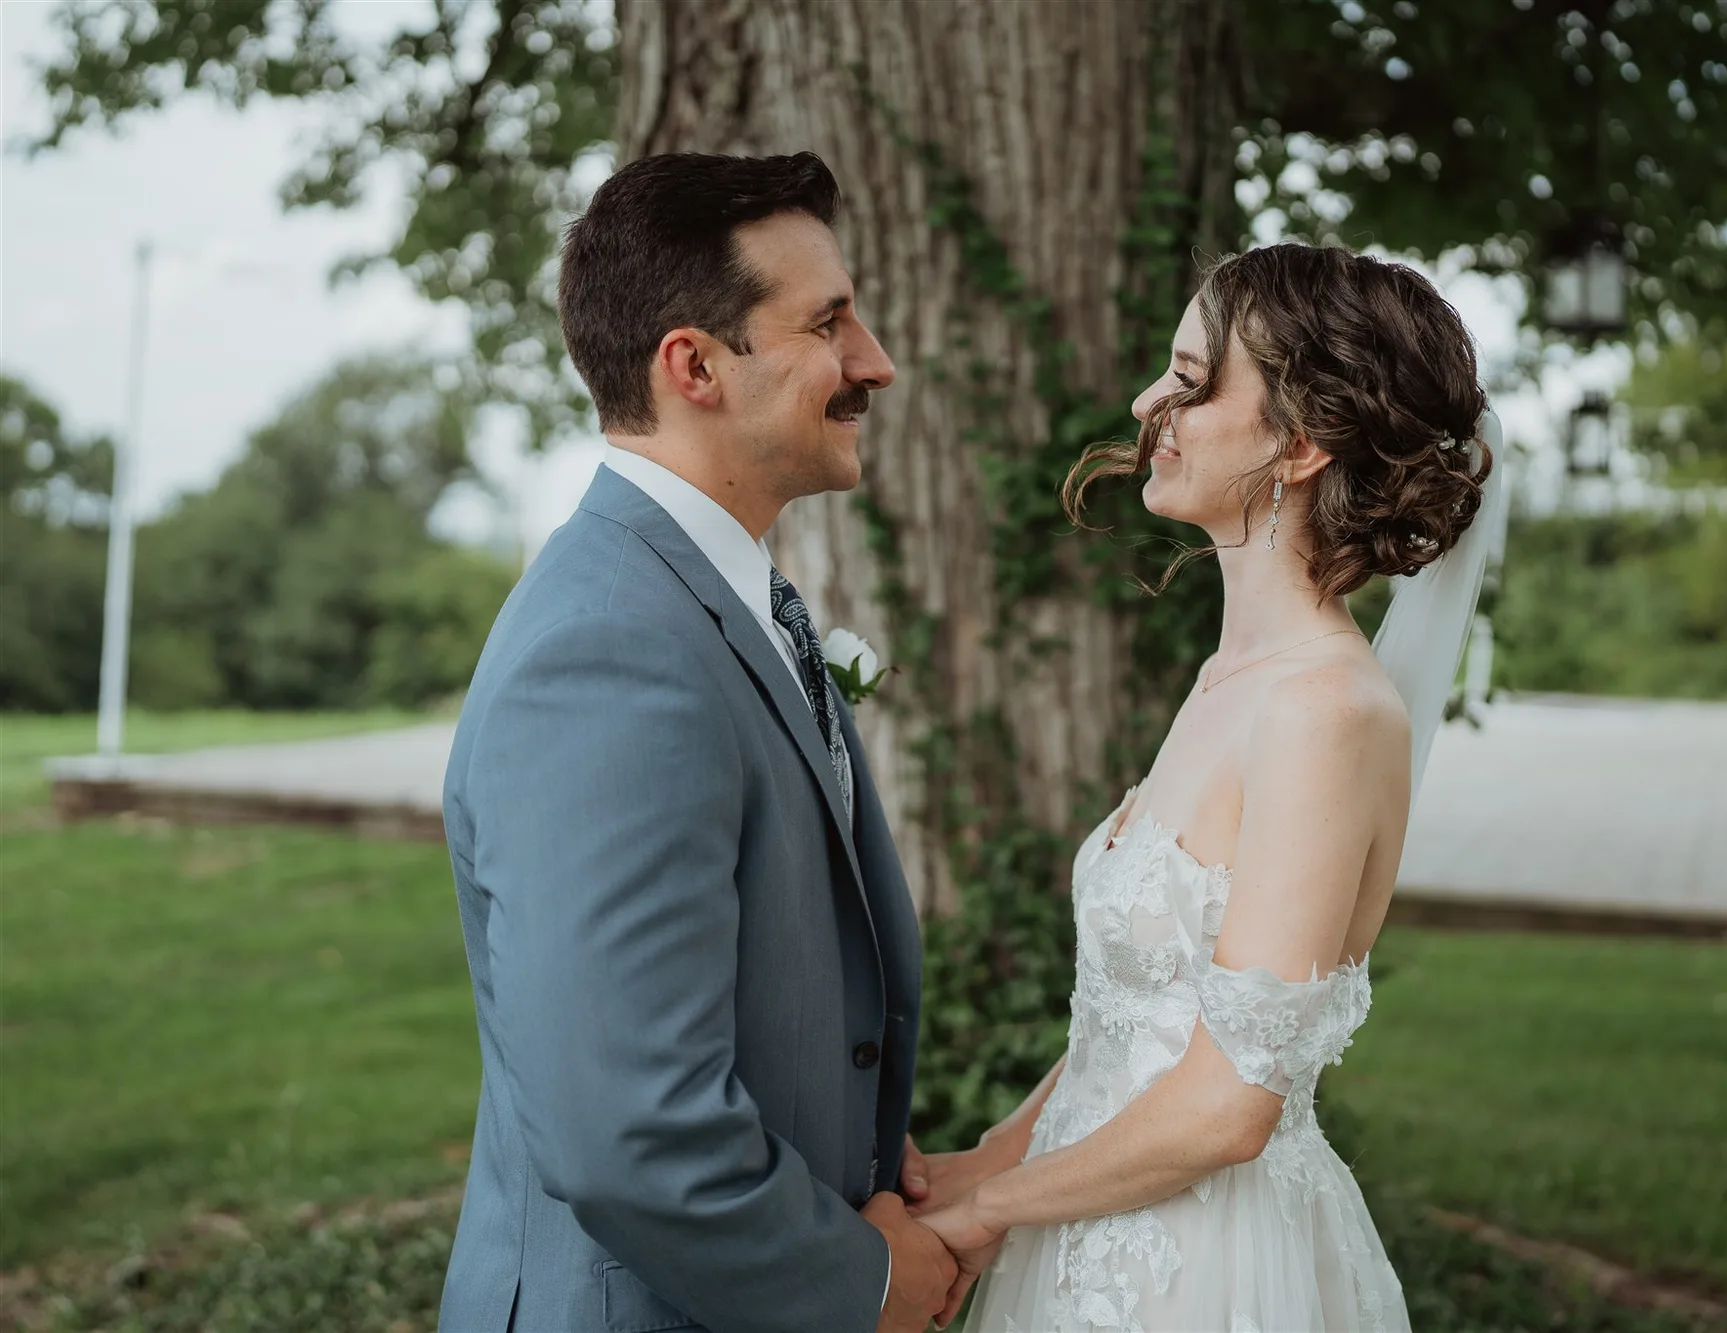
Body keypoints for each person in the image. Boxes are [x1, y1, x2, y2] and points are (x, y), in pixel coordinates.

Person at [914, 242, 1504, 1332]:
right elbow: (1141, 1022)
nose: (1150, 404)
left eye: (1190, 381)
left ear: (1301, 443)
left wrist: (987, 1213)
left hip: (1203, 1269)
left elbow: (1230, 1102)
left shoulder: (1324, 710)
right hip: (1087, 1215)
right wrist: (986, 1158)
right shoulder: (1227, 678)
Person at [435, 151, 959, 1333]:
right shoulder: (608, 653)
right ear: (695, 366)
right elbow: (627, 1123)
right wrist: (858, 1281)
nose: (873, 361)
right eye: (829, 323)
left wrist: (843, 1129)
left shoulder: (703, 602)